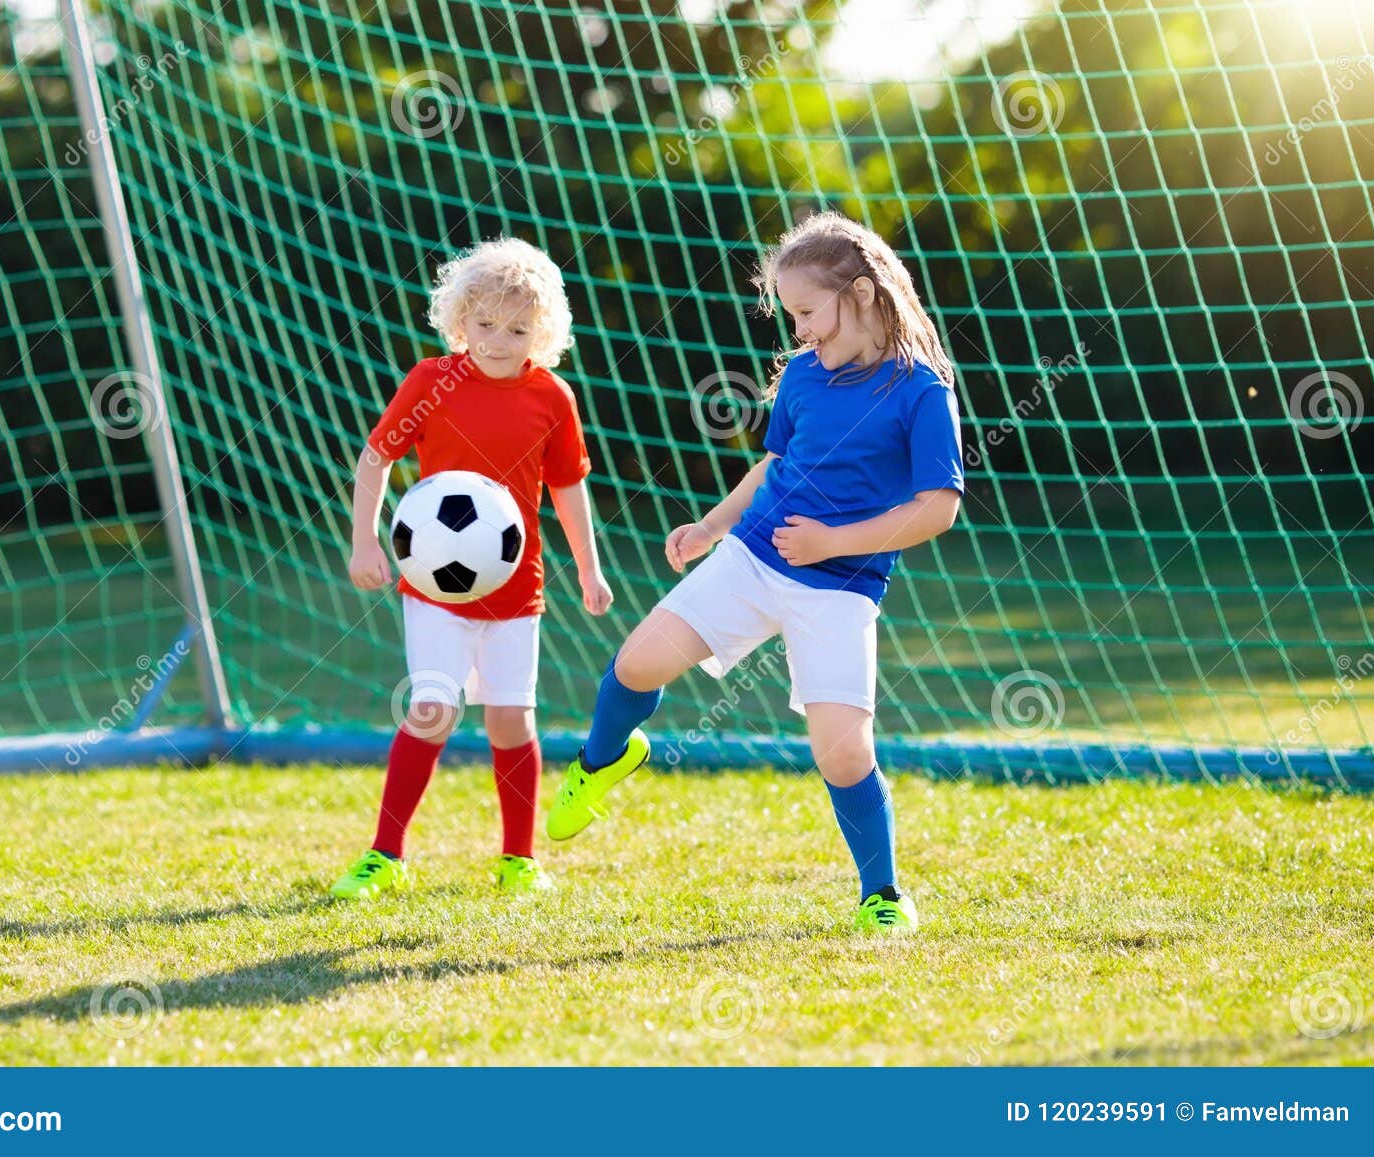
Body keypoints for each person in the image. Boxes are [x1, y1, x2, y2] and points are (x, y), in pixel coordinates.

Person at [546, 211, 963, 933]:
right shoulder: (802, 376)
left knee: (841, 753)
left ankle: (883, 896)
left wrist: (835, 541)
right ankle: (597, 762)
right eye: (793, 315)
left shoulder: (922, 390)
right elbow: (773, 466)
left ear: (861, 293)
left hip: (840, 588)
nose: (800, 332)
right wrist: (712, 527)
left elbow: (937, 508)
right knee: (637, 663)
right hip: (753, 557)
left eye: (808, 312)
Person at [334, 237, 612, 898]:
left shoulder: (552, 397)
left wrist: (588, 568)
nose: (497, 339)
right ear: (459, 319)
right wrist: (364, 541)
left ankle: (518, 857)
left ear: (541, 333)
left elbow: (568, 487)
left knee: (512, 721)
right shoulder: (432, 381)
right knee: (431, 709)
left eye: (517, 329)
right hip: (433, 590)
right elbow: (376, 457)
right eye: (484, 323)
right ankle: (384, 854)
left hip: (518, 593)